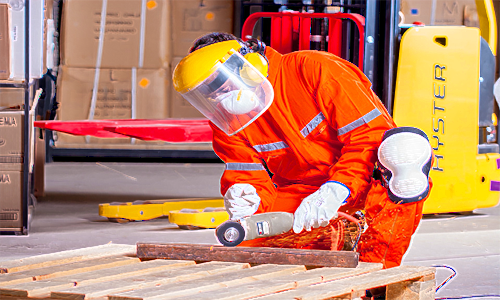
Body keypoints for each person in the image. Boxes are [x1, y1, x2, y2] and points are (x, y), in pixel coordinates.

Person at [172, 32, 433, 270]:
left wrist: (337, 190)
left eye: (221, 83)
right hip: (303, 192)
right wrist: (244, 197)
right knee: (246, 248)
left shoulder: (315, 69)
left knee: (404, 153)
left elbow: (369, 138)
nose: (220, 96)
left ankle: (374, 276)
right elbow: (245, 171)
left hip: (363, 178)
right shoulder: (228, 119)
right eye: (209, 92)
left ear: (249, 65)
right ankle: (328, 248)